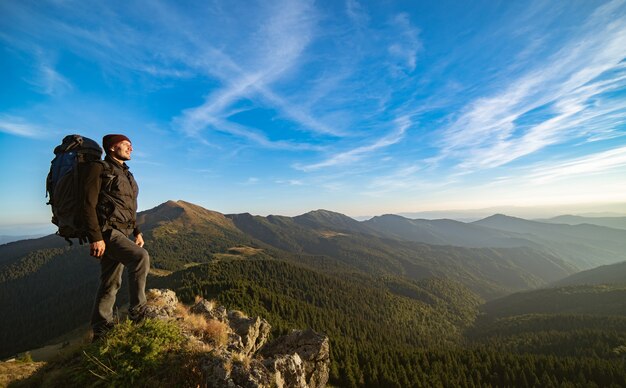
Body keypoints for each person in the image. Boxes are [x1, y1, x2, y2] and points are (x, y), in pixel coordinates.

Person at [81, 134, 150, 340]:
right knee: (140, 257)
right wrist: (95, 237)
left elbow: (127, 208)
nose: (131, 148)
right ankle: (139, 313)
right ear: (112, 148)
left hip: (123, 231)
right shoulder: (99, 169)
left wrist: (136, 231)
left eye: (131, 145)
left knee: (110, 282)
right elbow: (87, 204)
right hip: (107, 232)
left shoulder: (126, 174)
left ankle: (101, 330)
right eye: (126, 145)